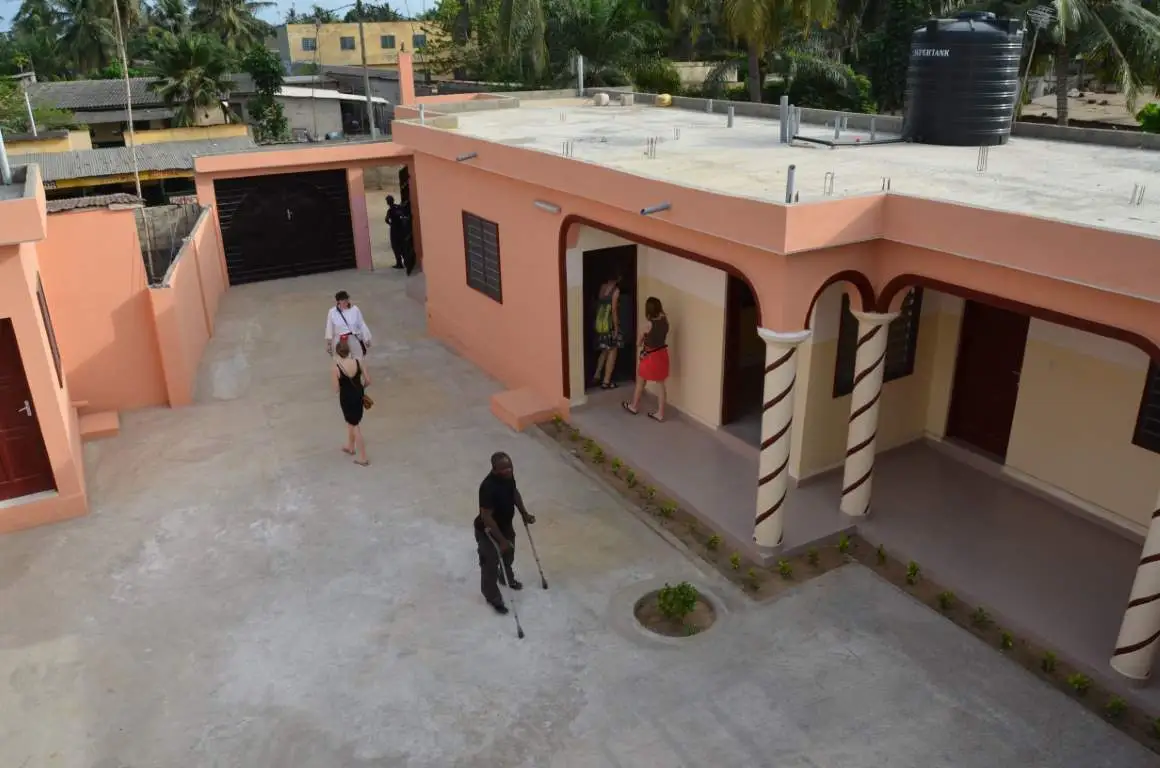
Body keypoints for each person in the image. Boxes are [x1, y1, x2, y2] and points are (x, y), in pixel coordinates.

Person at [474, 452, 536, 615]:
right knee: (490, 565)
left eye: (510, 467)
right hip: (488, 531)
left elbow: (513, 492)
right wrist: (501, 540)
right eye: (504, 469)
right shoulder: (488, 487)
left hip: (505, 526)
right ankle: (493, 597)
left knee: (508, 555)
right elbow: (486, 516)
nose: (508, 471)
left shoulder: (508, 477)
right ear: (494, 469)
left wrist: (524, 513)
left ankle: (506, 578)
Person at [622, 296, 670, 422]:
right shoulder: (665, 320)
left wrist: (642, 337)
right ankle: (660, 413)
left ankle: (634, 406)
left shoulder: (647, 325)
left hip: (650, 356)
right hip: (662, 353)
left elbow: (638, 343)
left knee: (640, 381)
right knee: (661, 384)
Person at [333, 338, 370, 466]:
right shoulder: (358, 362)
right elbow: (368, 380)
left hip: (346, 398)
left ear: (338, 353)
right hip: (358, 395)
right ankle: (350, 446)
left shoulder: (337, 368)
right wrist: (361, 388)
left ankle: (363, 457)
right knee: (352, 421)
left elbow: (336, 389)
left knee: (354, 425)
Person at [592, 274, 623, 389]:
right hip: (609, 324)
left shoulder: (603, 287)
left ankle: (597, 375)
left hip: (601, 322)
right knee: (613, 350)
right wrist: (616, 328)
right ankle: (606, 381)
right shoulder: (616, 291)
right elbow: (614, 310)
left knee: (604, 349)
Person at [325, 291, 372, 360]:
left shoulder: (355, 310)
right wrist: (329, 344)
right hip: (340, 341)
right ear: (338, 301)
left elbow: (362, 324)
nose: (345, 302)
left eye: (346, 300)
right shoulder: (332, 312)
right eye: (343, 300)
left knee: (358, 359)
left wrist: (367, 338)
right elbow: (329, 328)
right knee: (341, 361)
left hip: (354, 338)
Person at [385, 195, 406, 270]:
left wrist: (391, 224)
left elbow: (386, 220)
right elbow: (403, 215)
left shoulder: (390, 210)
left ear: (388, 202)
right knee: (402, 245)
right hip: (401, 229)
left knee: (395, 246)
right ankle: (406, 261)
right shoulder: (399, 207)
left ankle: (399, 263)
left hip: (394, 230)